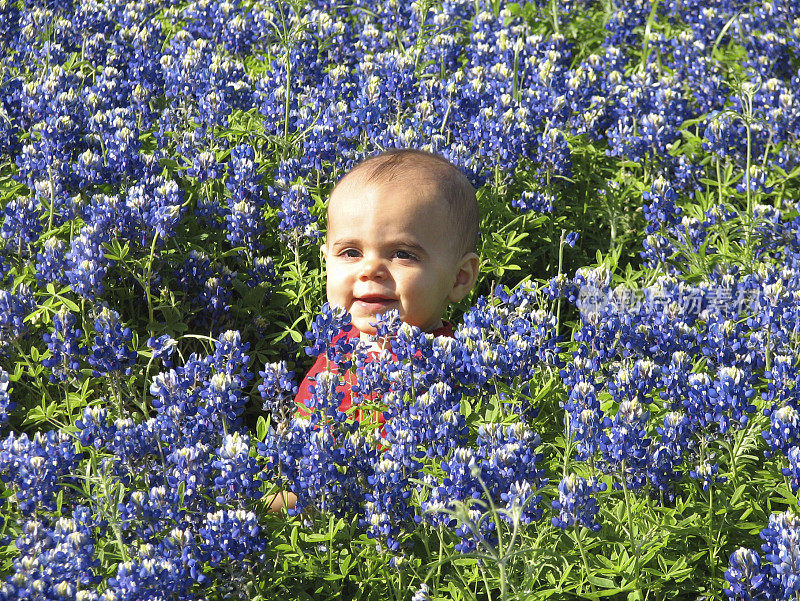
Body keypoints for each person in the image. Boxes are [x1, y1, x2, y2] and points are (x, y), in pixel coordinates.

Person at [268, 148, 480, 512]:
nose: (370, 270)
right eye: (350, 252)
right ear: (325, 263)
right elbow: (297, 445)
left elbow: (407, 474)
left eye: (403, 254)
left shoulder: (446, 369)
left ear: (459, 278)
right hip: (323, 526)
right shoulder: (335, 349)